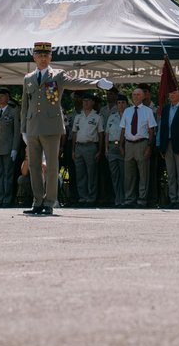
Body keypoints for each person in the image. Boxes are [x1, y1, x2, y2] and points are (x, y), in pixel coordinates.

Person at [20, 41, 113, 216]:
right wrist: (23, 129)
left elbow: (76, 82)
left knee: (52, 166)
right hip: (32, 127)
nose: (42, 58)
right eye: (39, 55)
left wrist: (97, 83)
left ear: (50, 57)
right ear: (34, 57)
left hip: (51, 126)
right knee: (34, 165)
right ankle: (37, 201)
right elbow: (25, 105)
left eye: (45, 55)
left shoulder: (57, 75)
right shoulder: (28, 78)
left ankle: (49, 201)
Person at [120, 87, 157, 209]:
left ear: (143, 97)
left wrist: (149, 147)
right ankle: (129, 198)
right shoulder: (127, 111)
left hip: (142, 143)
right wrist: (121, 145)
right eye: (134, 94)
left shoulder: (148, 111)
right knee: (129, 174)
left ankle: (142, 199)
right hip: (129, 144)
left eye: (138, 94)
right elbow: (123, 129)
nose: (135, 96)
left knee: (143, 173)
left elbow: (152, 131)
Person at [70, 92, 103, 207]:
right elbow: (74, 133)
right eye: (84, 101)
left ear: (93, 102)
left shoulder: (97, 116)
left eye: (88, 100)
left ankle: (91, 198)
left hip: (91, 146)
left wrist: (99, 151)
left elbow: (100, 135)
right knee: (80, 174)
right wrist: (73, 150)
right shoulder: (78, 116)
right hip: (79, 146)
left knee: (91, 174)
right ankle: (82, 197)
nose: (86, 103)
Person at [0, 89, 19, 207]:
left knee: (8, 174)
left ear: (7, 97)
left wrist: (15, 148)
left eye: (2, 96)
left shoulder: (13, 112)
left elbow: (16, 132)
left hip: (8, 148)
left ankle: (7, 199)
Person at [102, 92, 127, 207]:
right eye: (119, 103)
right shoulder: (112, 116)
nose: (120, 105)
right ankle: (118, 198)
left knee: (124, 174)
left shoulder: (129, 115)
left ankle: (125, 198)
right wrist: (106, 148)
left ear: (126, 104)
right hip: (112, 146)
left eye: (122, 103)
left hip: (124, 146)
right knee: (114, 175)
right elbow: (107, 133)